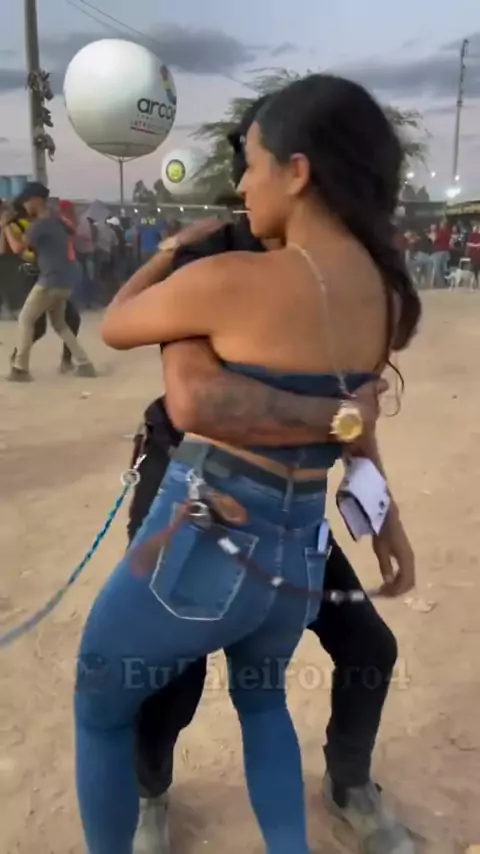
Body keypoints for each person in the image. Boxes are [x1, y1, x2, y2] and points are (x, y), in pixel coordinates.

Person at [75, 74, 421, 854]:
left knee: (99, 708)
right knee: (263, 707)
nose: (241, 184)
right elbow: (355, 427)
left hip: (209, 535)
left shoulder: (231, 281)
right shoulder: (386, 298)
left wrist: (173, 254)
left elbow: (118, 323)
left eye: (253, 164)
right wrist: (388, 524)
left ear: (297, 172)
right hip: (297, 553)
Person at [2, 182, 95, 381]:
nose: (25, 206)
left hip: (50, 280)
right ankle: (84, 363)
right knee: (60, 324)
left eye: (26, 201)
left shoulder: (39, 225)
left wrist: (4, 226)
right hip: (65, 281)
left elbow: (17, 248)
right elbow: (66, 234)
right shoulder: (56, 221)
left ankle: (20, 368)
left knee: (25, 320)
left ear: (36, 200)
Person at [431, 217, 451, 288]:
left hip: (438, 251)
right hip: (445, 251)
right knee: (444, 268)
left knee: (437, 268)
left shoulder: (438, 232)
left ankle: (439, 283)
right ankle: (444, 282)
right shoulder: (447, 232)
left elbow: (434, 240)